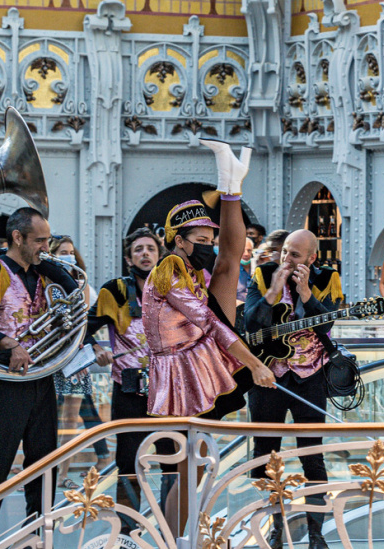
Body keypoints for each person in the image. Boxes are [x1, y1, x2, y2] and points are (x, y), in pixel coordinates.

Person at [142, 140, 275, 535]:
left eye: (208, 240)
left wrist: (230, 194)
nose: (207, 248)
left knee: (194, 466)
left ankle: (230, 184)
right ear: (178, 240)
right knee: (188, 468)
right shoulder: (169, 268)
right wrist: (255, 364)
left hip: (199, 361)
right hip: (181, 373)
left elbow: (228, 260)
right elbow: (211, 323)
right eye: (200, 242)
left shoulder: (188, 269)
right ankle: (171, 539)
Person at [0, 207, 78, 549]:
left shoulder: (44, 273)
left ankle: (38, 537)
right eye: (40, 240)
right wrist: (7, 344)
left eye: (48, 240)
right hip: (5, 385)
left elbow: (73, 294)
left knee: (44, 464)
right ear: (17, 237)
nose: (46, 246)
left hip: (42, 380)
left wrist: (50, 264)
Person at [244, 229, 344, 549]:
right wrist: (273, 291)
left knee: (312, 456)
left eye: (295, 255)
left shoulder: (327, 278)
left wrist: (306, 294)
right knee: (264, 456)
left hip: (310, 377)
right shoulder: (263, 274)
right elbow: (250, 324)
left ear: (311, 258)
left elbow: (326, 325)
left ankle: (316, 533)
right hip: (268, 377)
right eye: (285, 252)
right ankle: (275, 528)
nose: (286, 259)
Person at [86, 227, 171, 533]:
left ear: (159, 255)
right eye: (138, 249)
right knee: (128, 463)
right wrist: (96, 348)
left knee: (173, 461)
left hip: (168, 392)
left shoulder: (175, 289)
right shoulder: (115, 290)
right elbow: (84, 329)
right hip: (128, 390)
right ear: (128, 258)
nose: (145, 254)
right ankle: (126, 533)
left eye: (150, 248)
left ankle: (171, 530)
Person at [48, 236, 99, 490]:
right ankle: (40, 472)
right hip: (49, 356)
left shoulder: (82, 284)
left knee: (70, 419)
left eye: (70, 252)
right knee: (45, 419)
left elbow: (84, 322)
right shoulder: (45, 282)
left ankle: (62, 474)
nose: (68, 256)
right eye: (62, 252)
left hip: (75, 357)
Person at [237, 237, 254, 302]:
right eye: (242, 250)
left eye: (249, 250)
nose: (246, 254)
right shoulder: (229, 270)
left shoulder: (257, 267)